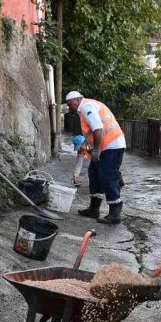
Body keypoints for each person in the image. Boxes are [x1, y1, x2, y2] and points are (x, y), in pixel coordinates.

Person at [66, 91, 126, 224]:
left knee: (107, 177)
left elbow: (98, 128)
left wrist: (96, 150)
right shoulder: (86, 108)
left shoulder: (86, 107)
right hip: (107, 146)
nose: (70, 108)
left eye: (70, 105)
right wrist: (85, 144)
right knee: (94, 173)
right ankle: (94, 209)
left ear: (77, 100)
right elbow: (91, 133)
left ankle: (115, 213)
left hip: (112, 145)